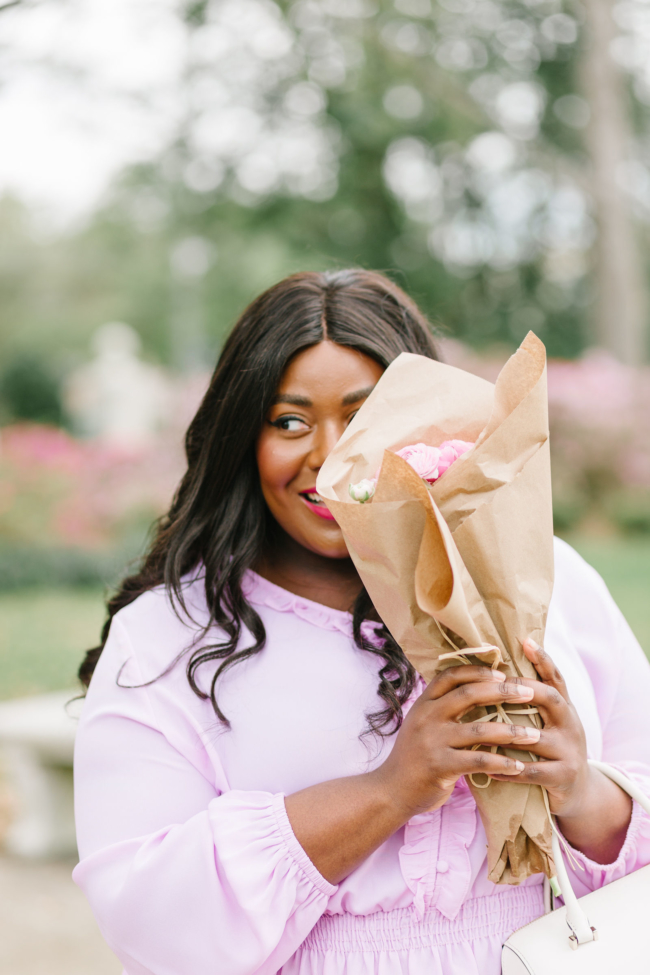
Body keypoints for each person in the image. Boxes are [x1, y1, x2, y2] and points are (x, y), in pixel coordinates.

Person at [74, 269, 650, 975]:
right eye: (289, 421)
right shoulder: (167, 638)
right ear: (240, 441)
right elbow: (145, 912)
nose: (329, 455)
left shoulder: (549, 584)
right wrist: (391, 789)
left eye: (364, 413)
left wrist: (580, 789)